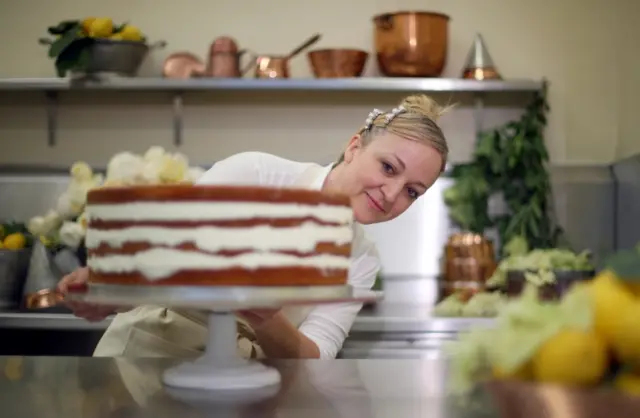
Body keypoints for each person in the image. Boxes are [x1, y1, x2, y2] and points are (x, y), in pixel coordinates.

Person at [58, 93, 450, 360]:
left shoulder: (362, 258)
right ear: (353, 147)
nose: (393, 193)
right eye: (388, 168)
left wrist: (266, 317)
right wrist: (107, 286)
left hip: (247, 386)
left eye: (412, 191)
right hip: (146, 356)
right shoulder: (255, 173)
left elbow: (316, 355)